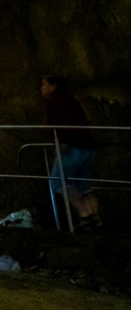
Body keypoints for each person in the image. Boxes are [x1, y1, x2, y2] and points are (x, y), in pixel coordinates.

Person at [42, 75, 100, 231]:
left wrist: (62, 142)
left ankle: (84, 215)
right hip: (87, 146)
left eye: (44, 84)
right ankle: (94, 218)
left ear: (53, 86)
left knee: (57, 182)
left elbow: (62, 122)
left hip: (73, 147)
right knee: (83, 186)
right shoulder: (71, 99)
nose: (42, 88)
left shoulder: (56, 100)